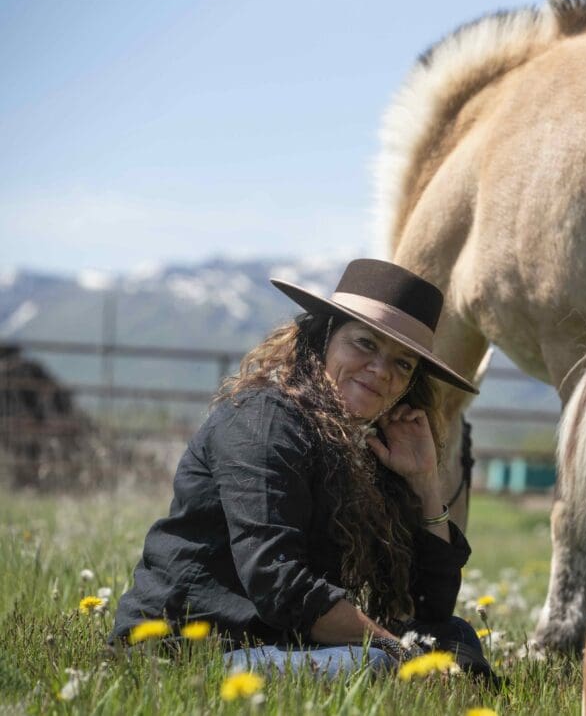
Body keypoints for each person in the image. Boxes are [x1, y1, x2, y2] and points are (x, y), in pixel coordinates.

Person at [111, 259, 494, 680]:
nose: (382, 370)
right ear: (324, 337)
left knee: (451, 633)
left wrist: (424, 480)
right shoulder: (264, 419)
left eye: (403, 364)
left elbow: (430, 605)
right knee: (379, 661)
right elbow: (279, 581)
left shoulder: (367, 442)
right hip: (189, 648)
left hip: (279, 641)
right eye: (365, 344)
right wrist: (399, 652)